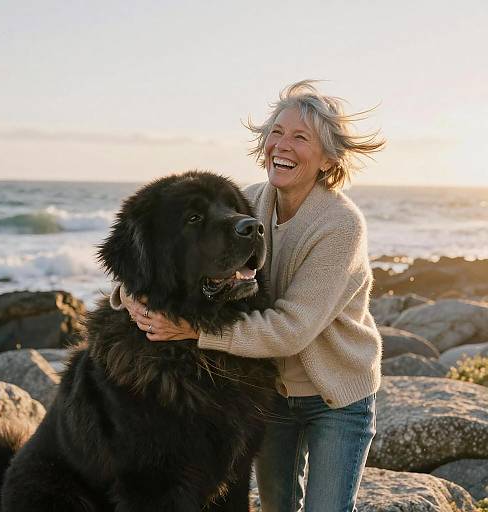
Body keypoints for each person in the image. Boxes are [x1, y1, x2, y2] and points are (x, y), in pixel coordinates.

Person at [110, 80, 384, 512]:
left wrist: (192, 331)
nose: (282, 145)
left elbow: (291, 329)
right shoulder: (247, 202)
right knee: (277, 507)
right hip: (271, 391)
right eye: (276, 131)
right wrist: (128, 295)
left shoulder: (340, 225)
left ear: (329, 157)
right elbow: (172, 258)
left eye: (300, 137)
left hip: (335, 398)